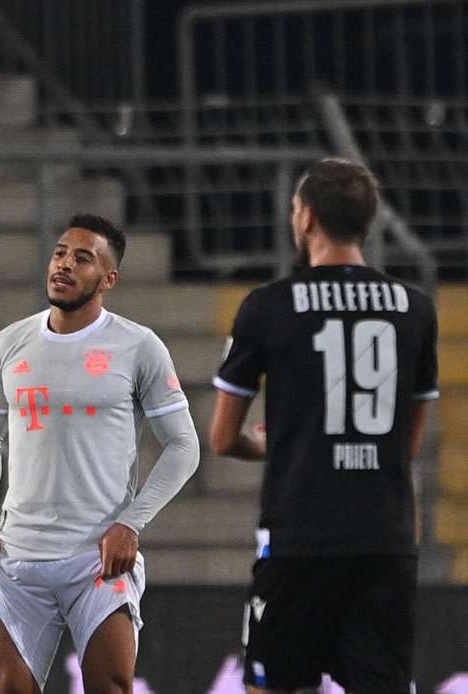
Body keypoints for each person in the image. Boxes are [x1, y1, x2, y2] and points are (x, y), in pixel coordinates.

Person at [209, 159, 438, 694]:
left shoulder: (268, 307)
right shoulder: (416, 310)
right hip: (385, 538)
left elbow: (222, 438)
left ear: (306, 218)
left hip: (298, 539)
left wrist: (283, 445)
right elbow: (408, 443)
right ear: (367, 222)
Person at [0, 214, 201, 694]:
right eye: (59, 253)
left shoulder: (138, 346)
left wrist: (130, 523)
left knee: (110, 687)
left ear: (109, 278)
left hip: (97, 558)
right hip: (19, 557)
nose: (64, 265)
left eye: (82, 257)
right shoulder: (10, 343)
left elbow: (184, 446)